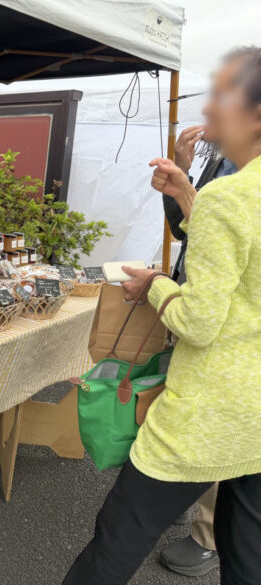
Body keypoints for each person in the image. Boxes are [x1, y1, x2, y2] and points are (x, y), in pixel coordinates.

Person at [62, 46, 261, 585]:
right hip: (256, 416)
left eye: (223, 95)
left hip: (209, 411)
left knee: (118, 535)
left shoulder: (231, 196)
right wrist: (188, 195)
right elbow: (245, 263)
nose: (209, 107)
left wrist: (155, 285)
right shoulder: (233, 195)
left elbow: (198, 321)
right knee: (248, 553)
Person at [158, 65, 239, 577]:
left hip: (226, 320)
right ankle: (195, 508)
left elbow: (218, 233)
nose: (208, 111)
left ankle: (208, 536)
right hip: (196, 299)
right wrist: (183, 178)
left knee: (217, 418)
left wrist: (187, 190)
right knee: (191, 408)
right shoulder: (221, 159)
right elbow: (185, 230)